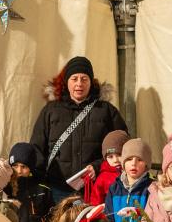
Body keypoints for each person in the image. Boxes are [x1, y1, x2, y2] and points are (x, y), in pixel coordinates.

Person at [30, 56, 127, 203]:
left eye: (84, 79)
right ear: (66, 82)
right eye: (74, 79)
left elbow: (123, 147)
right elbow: (36, 149)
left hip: (95, 189)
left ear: (91, 82)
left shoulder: (106, 111)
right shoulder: (50, 111)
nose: (79, 84)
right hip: (57, 189)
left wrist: (98, 166)